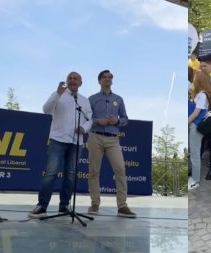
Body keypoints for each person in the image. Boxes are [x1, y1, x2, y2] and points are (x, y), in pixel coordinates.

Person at [28, 72, 92, 218]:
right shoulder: (58, 94)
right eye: (70, 78)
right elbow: (46, 109)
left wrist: (84, 128)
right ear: (66, 81)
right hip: (58, 139)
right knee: (50, 174)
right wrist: (57, 94)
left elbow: (90, 119)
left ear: (80, 83)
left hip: (76, 142)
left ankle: (64, 206)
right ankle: (42, 206)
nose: (72, 80)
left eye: (75, 78)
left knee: (70, 175)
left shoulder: (84, 100)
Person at [86, 69, 136, 218]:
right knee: (94, 171)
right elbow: (87, 119)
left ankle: (122, 206)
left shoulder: (118, 99)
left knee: (120, 169)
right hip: (95, 136)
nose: (107, 79)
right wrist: (97, 121)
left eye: (109, 77)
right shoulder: (92, 99)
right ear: (99, 81)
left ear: (112, 81)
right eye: (104, 77)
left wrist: (117, 121)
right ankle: (95, 203)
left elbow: (125, 118)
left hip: (113, 138)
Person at [188, 71, 211, 190]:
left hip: (196, 126)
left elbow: (196, 113)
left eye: (195, 78)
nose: (193, 80)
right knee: (193, 153)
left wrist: (186, 122)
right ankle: (194, 178)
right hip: (195, 125)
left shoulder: (202, 95)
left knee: (194, 154)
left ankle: (195, 180)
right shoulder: (201, 94)